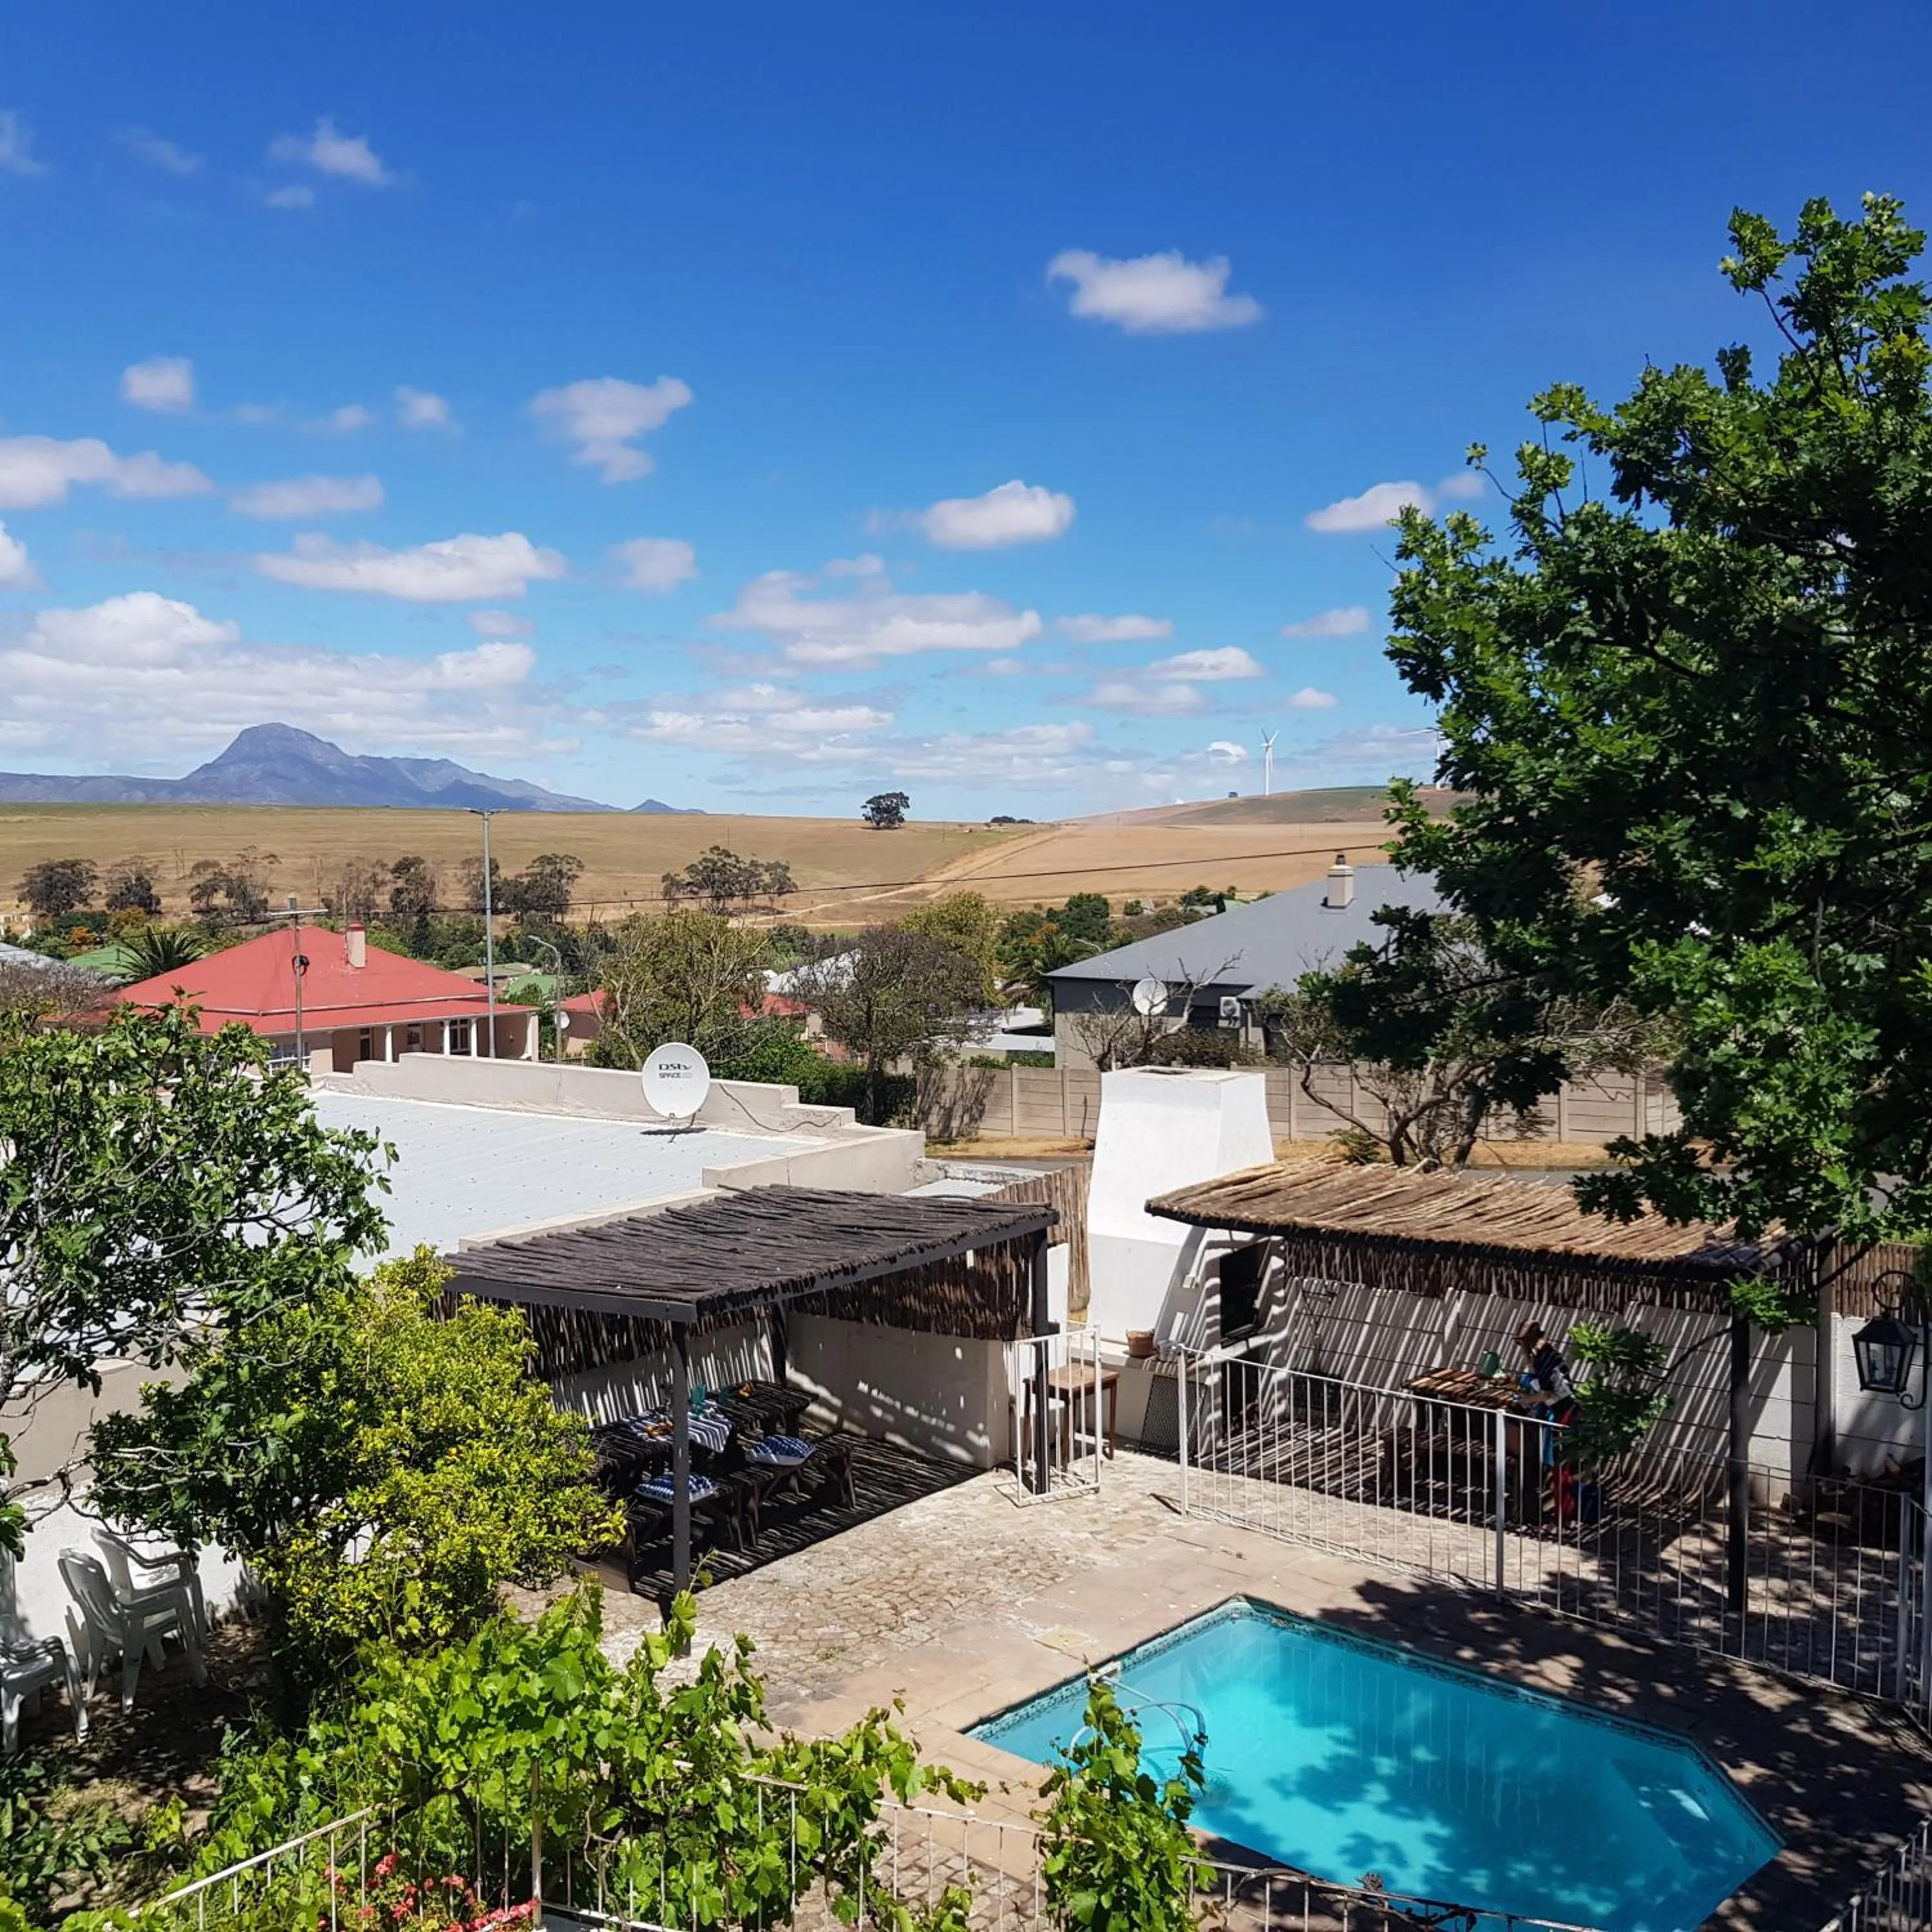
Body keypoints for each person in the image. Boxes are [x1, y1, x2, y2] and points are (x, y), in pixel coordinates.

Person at [1515, 1320, 1578, 1520]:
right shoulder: (1546, 1356)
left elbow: (1548, 1393)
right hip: (1560, 1410)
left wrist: (1528, 1400)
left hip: (1564, 1414)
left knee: (1560, 1468)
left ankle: (1562, 1517)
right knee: (1557, 1468)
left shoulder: (1546, 1359)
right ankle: (1559, 1515)